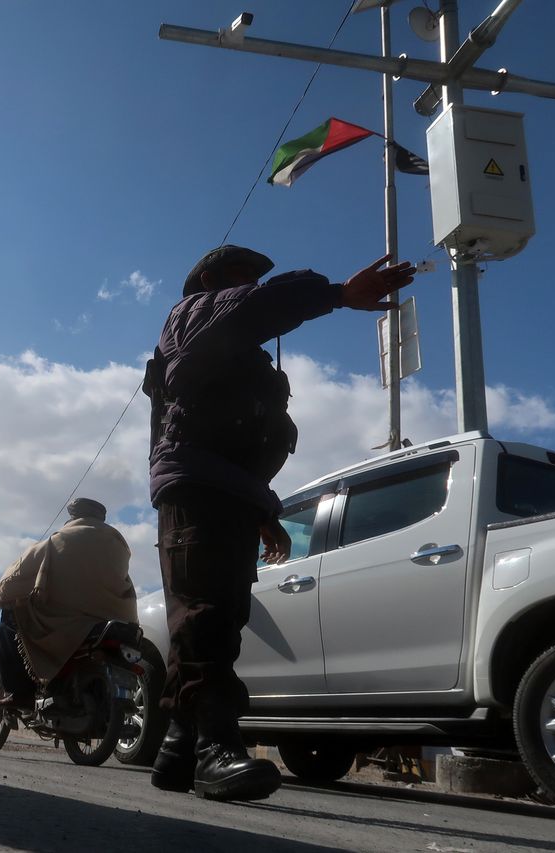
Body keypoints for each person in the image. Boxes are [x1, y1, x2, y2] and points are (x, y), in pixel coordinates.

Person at [144, 245, 415, 801]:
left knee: (212, 616)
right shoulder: (194, 315)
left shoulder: (245, 358)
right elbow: (255, 307)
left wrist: (264, 509)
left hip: (231, 492)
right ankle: (217, 746)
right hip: (197, 484)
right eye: (241, 278)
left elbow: (252, 440)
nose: (250, 287)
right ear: (211, 283)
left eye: (252, 280)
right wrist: (336, 295)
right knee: (206, 616)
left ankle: (177, 748)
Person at [0, 497, 137, 708]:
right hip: (116, 616)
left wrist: (2, 589)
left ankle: (21, 693)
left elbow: (20, 570)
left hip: (70, 620)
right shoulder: (119, 544)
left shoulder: (61, 538)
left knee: (7, 623)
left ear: (74, 515)